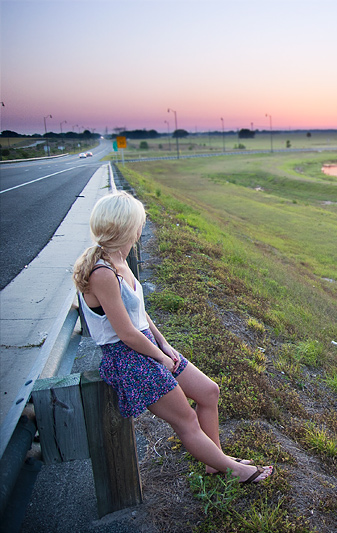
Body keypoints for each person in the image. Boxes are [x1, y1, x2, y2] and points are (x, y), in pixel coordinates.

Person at [73, 191, 271, 483]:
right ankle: (235, 471)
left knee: (208, 392)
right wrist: (160, 356)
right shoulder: (102, 272)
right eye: (140, 222)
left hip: (147, 345)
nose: (142, 227)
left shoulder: (119, 261)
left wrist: (163, 342)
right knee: (186, 421)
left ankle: (215, 461)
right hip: (128, 357)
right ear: (131, 227)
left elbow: (137, 314)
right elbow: (126, 333)